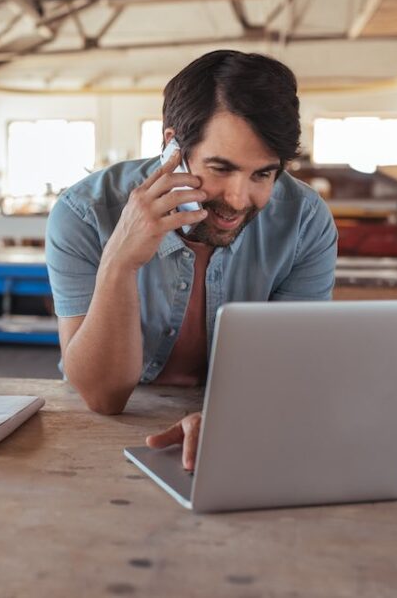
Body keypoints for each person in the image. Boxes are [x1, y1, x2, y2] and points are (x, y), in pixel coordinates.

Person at [45, 50, 338, 470]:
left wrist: (231, 418)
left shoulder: (304, 221)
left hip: (241, 431)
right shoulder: (85, 212)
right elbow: (103, 397)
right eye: (220, 168)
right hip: (102, 437)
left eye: (263, 174)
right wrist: (120, 262)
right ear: (172, 147)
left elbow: (289, 374)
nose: (238, 199)